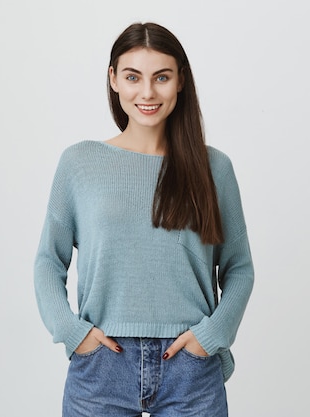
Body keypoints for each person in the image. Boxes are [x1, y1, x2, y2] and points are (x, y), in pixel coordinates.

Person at [34, 22, 254, 417]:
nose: (147, 92)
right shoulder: (80, 163)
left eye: (162, 77)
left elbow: (238, 267)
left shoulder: (214, 167)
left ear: (181, 81)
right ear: (114, 79)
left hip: (189, 365)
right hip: (102, 364)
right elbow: (49, 261)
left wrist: (212, 336)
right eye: (133, 76)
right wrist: (71, 332)